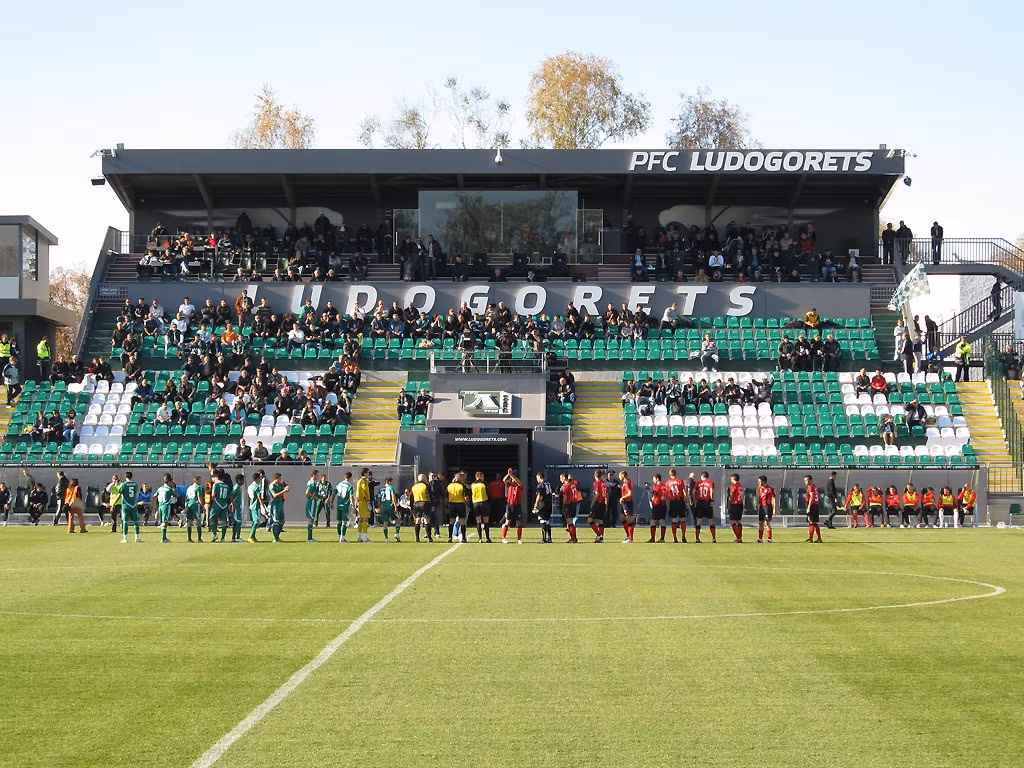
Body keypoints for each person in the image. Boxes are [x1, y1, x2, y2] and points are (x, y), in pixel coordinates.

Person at [693, 471, 716, 544]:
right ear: (707, 477)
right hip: (707, 502)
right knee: (711, 521)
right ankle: (713, 538)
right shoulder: (710, 482)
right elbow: (711, 491)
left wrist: (696, 500)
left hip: (700, 502)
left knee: (699, 521)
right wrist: (712, 500)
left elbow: (693, 492)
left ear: (701, 476)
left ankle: (697, 539)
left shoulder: (698, 483)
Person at [119, 472, 142, 544]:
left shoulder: (123, 484)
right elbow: (135, 493)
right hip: (133, 505)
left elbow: (120, 492)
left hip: (125, 505)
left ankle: (125, 538)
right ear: (132, 477)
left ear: (125, 477)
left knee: (125, 521)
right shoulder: (135, 485)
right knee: (136, 521)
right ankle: (137, 538)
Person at [502, 468, 523, 544]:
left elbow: (519, 483)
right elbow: (504, 480)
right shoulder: (509, 484)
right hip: (510, 505)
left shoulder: (519, 485)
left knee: (518, 523)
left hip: (517, 505)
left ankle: (519, 539)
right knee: (507, 522)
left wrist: (512, 475)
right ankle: (504, 538)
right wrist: (509, 474)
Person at [445, 472, 467, 544]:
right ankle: (463, 538)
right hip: (460, 504)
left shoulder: (449, 486)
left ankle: (450, 537)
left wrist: (447, 504)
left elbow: (446, 497)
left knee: (451, 521)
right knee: (462, 521)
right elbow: (466, 498)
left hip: (452, 504)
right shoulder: (462, 486)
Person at [560, 473, 582, 544]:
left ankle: (573, 538)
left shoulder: (567, 486)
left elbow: (565, 497)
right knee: (571, 522)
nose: (560, 479)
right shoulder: (573, 485)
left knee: (569, 523)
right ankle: (573, 538)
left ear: (564, 478)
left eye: (561, 478)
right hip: (574, 504)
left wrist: (563, 505)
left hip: (568, 505)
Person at [666, 469, 687, 543]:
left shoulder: (668, 482)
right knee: (683, 520)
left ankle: (675, 538)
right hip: (680, 501)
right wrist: (686, 501)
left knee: (674, 520)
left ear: (670, 474)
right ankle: (683, 536)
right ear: (676, 474)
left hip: (673, 501)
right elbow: (684, 492)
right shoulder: (680, 481)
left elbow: (667, 494)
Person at [410, 474, 432, 544]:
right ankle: (429, 537)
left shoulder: (414, 486)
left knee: (418, 520)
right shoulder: (426, 486)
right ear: (424, 479)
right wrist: (431, 504)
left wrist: (411, 505)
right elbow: (429, 495)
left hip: (416, 503)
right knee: (426, 519)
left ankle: (417, 538)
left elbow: (411, 496)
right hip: (424, 503)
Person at [156, 474, 177, 543]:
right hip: (166, 506)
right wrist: (174, 488)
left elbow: (154, 496)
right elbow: (176, 495)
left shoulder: (160, 488)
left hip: (160, 506)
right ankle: (163, 538)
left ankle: (164, 537)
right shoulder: (169, 489)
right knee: (165, 522)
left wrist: (155, 507)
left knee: (164, 521)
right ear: (169, 482)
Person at [587, 470, 607, 544]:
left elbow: (597, 494)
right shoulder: (604, 483)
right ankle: (601, 538)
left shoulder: (597, 483)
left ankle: (599, 535)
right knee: (600, 520)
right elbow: (606, 494)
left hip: (598, 503)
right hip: (603, 503)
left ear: (595, 476)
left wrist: (592, 502)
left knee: (589, 519)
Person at [534, 472, 554, 544]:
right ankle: (549, 538)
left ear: (539, 477)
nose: (537, 480)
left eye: (537, 478)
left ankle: (544, 539)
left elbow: (539, 495)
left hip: (543, 504)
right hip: (549, 504)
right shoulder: (548, 484)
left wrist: (536, 505)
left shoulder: (540, 485)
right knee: (547, 521)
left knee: (542, 520)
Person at [334, 471, 354, 542]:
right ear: (350, 477)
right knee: (344, 522)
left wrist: (331, 502)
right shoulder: (350, 486)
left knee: (339, 522)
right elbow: (351, 497)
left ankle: (339, 537)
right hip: (345, 505)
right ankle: (342, 538)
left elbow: (334, 493)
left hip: (338, 505)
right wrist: (353, 505)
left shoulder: (339, 484)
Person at [647, 474, 667, 543]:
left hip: (657, 505)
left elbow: (655, 495)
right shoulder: (664, 486)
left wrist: (652, 498)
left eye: (654, 479)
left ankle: (652, 539)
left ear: (657, 479)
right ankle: (662, 538)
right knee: (662, 521)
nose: (653, 480)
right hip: (663, 505)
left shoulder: (657, 486)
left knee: (653, 521)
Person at [269, 473, 289, 542]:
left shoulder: (280, 484)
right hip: (275, 505)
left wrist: (287, 488)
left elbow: (285, 489)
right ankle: (275, 538)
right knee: (276, 521)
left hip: (280, 504)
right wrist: (284, 491)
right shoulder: (272, 486)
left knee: (282, 520)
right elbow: (274, 495)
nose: (281, 480)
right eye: (279, 478)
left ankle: (277, 536)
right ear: (276, 478)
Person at [247, 471, 266, 543]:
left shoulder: (250, 486)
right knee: (256, 521)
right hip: (255, 506)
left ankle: (253, 536)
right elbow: (259, 498)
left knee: (254, 522)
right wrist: (263, 506)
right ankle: (251, 537)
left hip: (251, 505)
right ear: (257, 478)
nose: (260, 480)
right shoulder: (257, 487)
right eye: (260, 478)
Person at [303, 469, 320, 543]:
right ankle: (309, 538)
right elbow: (307, 492)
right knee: (311, 519)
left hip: (312, 501)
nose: (318, 476)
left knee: (311, 519)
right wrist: (314, 496)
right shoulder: (312, 483)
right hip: (311, 502)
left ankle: (310, 537)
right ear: (314, 475)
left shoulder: (312, 482)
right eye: (317, 475)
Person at [185, 476, 204, 542]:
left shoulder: (189, 487)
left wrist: (186, 506)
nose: (200, 482)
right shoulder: (198, 487)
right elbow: (199, 497)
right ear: (197, 480)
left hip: (189, 504)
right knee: (198, 520)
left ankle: (189, 538)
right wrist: (202, 506)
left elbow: (186, 497)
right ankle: (199, 538)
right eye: (199, 480)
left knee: (190, 521)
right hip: (195, 505)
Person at [804, 475, 823, 543]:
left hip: (812, 506)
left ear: (810, 480)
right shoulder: (814, 486)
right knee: (814, 523)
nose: (805, 482)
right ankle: (819, 538)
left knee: (811, 522)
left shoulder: (811, 487)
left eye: (807, 480)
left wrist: (808, 507)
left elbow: (812, 497)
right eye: (805, 480)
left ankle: (811, 539)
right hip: (815, 505)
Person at [756, 476, 775, 543]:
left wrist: (774, 508)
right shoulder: (759, 488)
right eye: (758, 481)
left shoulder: (770, 489)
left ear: (764, 482)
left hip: (767, 507)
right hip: (761, 507)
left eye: (759, 481)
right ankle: (760, 539)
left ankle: (769, 539)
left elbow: (774, 498)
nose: (758, 483)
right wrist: (757, 503)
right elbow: (759, 496)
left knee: (767, 523)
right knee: (761, 523)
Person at [727, 473, 744, 543]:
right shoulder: (741, 486)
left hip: (734, 504)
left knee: (732, 521)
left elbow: (731, 495)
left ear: (733, 479)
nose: (731, 480)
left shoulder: (734, 486)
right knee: (738, 521)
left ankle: (738, 538)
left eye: (731, 479)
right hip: (740, 504)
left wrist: (729, 503)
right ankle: (740, 537)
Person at [618, 470, 635, 544]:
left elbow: (630, 493)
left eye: (620, 475)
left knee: (629, 520)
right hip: (625, 503)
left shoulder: (626, 483)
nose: (619, 477)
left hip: (627, 502)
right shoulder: (627, 482)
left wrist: (623, 497)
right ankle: (628, 535)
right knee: (622, 517)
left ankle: (631, 539)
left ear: (623, 475)